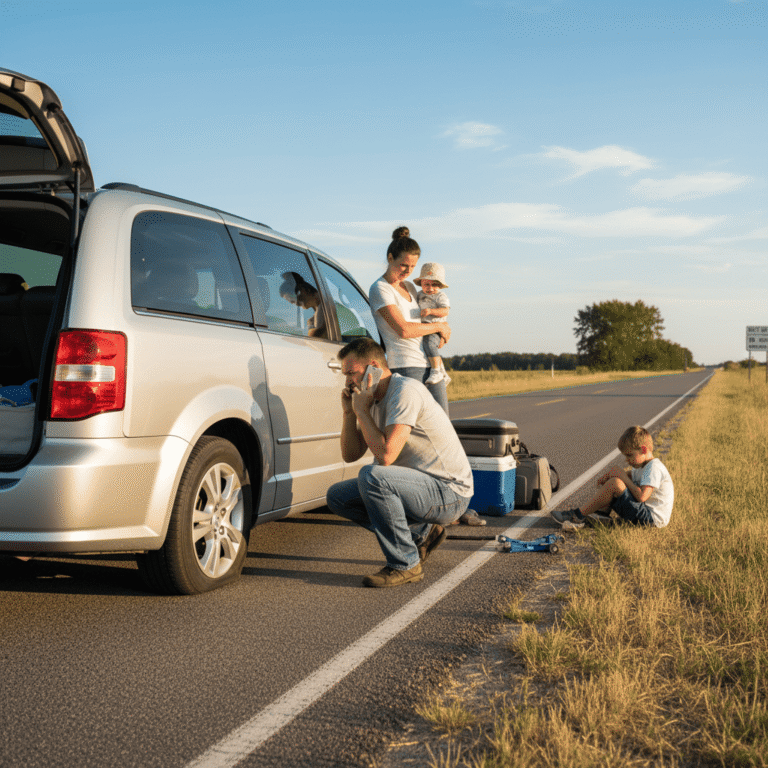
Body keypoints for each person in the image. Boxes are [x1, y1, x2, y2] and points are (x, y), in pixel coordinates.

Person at [326, 337, 474, 588]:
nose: (348, 381)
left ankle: (405, 564)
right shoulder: (370, 398)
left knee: (372, 476)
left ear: (373, 367)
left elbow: (386, 456)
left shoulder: (405, 391)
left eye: (351, 373)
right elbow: (350, 454)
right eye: (345, 375)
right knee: (338, 496)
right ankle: (423, 533)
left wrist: (362, 411)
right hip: (418, 487)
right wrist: (350, 413)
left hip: (450, 492)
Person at [368, 227, 451, 413]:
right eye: (404, 265)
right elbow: (404, 330)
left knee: (443, 423)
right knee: (414, 425)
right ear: (390, 258)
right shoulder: (380, 289)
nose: (408, 271)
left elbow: (425, 322)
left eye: (413, 266)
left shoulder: (411, 288)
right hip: (406, 366)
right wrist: (440, 326)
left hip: (431, 365)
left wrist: (442, 331)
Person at [551, 426, 674, 531]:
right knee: (616, 481)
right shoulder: (642, 466)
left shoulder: (653, 468)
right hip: (645, 514)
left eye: (630, 455)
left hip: (652, 519)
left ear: (643, 450)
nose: (627, 460)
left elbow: (642, 496)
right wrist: (610, 476)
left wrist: (621, 477)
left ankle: (576, 516)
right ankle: (601, 515)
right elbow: (628, 476)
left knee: (616, 483)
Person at [414, 262, 451, 385]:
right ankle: (443, 372)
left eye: (434, 285)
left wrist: (431, 311)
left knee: (430, 345)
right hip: (423, 328)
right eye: (427, 284)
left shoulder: (440, 296)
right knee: (427, 349)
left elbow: (445, 311)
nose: (430, 288)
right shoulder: (419, 295)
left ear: (440, 285)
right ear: (421, 283)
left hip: (435, 328)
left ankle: (436, 371)